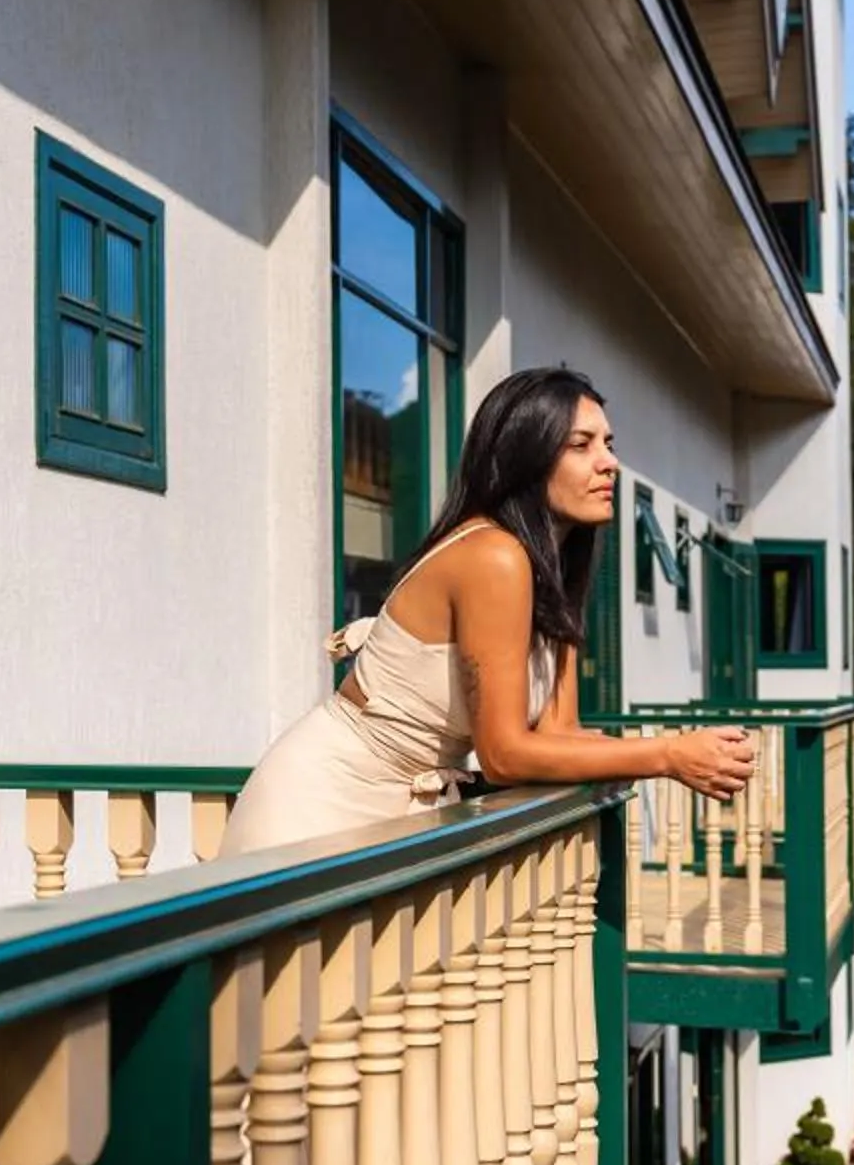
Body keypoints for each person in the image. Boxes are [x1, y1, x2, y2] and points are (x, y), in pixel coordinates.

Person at [220, 365, 757, 856]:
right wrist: (667, 755)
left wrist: (687, 750)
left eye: (608, 444)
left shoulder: (550, 570)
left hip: (400, 815)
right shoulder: (493, 556)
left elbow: (559, 731)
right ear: (527, 456)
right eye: (581, 444)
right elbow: (504, 755)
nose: (609, 462)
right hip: (319, 807)